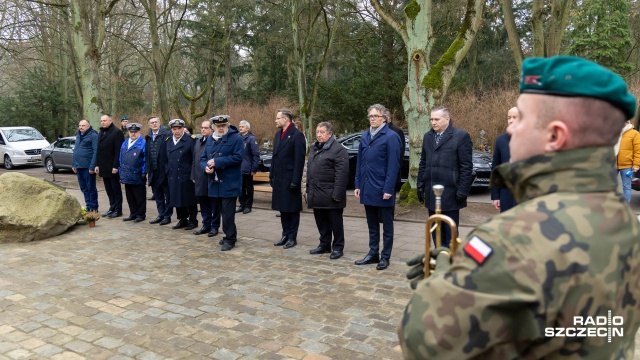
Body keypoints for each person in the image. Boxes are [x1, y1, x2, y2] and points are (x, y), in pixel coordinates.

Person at [399, 56, 640, 359]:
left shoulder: (512, 237)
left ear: (554, 136)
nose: (511, 131)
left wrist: (442, 282)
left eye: (522, 120)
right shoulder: (623, 220)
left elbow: (425, 341)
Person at [416, 105, 473, 248]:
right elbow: (423, 162)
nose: (433, 122)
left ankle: (450, 263)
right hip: (432, 193)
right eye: (431, 119)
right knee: (435, 231)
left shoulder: (461, 136)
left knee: (450, 233)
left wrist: (462, 191)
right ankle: (438, 260)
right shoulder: (428, 137)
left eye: (437, 119)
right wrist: (420, 185)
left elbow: (466, 167)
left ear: (447, 119)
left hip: (451, 193)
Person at [353, 104, 401, 270]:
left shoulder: (391, 136)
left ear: (384, 118)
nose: (372, 118)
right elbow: (360, 161)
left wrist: (389, 188)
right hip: (367, 186)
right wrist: (358, 183)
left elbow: (393, 165)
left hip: (382, 188)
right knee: (371, 224)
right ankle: (373, 253)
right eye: (370, 116)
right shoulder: (365, 136)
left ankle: (385, 257)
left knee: (387, 225)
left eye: (376, 116)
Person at [200, 115, 244, 251]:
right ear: (213, 126)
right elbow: (203, 158)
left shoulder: (236, 138)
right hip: (214, 182)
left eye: (223, 126)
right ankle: (229, 235)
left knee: (228, 213)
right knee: (219, 211)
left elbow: (238, 158)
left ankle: (230, 239)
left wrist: (217, 162)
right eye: (218, 126)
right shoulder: (210, 139)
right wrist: (205, 168)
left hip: (229, 183)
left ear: (227, 125)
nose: (221, 128)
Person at [306, 122, 349, 260]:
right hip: (317, 193)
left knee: (335, 223)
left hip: (331, 195)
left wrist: (337, 194)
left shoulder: (338, 150)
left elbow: (341, 175)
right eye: (317, 132)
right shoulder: (314, 148)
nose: (319, 134)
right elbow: (310, 171)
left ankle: (338, 247)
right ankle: (324, 244)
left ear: (330, 134)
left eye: (322, 132)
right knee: (321, 221)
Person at [271, 108, 307, 249]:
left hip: (290, 179)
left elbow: (299, 161)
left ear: (286, 119)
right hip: (279, 178)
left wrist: (295, 181)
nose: (276, 120)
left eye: (278, 118)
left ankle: (292, 237)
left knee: (291, 209)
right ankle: (285, 234)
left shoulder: (297, 136)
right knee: (282, 209)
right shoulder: (278, 134)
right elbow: (275, 156)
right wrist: (271, 174)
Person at [165, 119, 198, 231]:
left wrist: (193, 174)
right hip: (173, 174)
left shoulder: (190, 140)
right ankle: (182, 219)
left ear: (183, 129)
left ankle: (193, 220)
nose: (177, 131)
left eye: (179, 128)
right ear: (171, 130)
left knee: (189, 199)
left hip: (186, 175)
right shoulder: (168, 141)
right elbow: (165, 158)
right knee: (176, 198)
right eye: (174, 129)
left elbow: (194, 159)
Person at [191, 118, 221, 237]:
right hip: (199, 177)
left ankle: (215, 226)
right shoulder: (198, 141)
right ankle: (206, 224)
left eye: (206, 128)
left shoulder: (216, 141)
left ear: (212, 128)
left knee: (214, 204)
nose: (203, 129)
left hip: (212, 178)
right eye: (202, 127)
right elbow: (195, 160)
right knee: (203, 204)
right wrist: (193, 175)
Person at [96, 114, 125, 218]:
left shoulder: (117, 132)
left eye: (105, 120)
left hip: (112, 167)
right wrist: (97, 164)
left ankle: (118, 209)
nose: (103, 122)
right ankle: (112, 207)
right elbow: (99, 150)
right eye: (101, 121)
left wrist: (116, 166)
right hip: (103, 166)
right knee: (108, 189)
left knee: (115, 189)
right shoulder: (101, 132)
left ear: (110, 121)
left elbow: (118, 151)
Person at [490, 107, 519, 212]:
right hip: (506, 194)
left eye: (515, 117)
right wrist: (495, 196)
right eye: (509, 117)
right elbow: (496, 168)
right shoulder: (501, 140)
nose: (511, 120)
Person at [145, 116, 172, 225]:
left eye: (156, 122)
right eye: (152, 122)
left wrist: (167, 169)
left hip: (164, 170)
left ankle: (167, 215)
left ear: (160, 123)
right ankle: (161, 214)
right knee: (157, 194)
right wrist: (147, 171)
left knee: (167, 194)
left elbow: (169, 153)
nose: (154, 124)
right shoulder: (148, 136)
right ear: (149, 125)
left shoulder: (167, 134)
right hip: (153, 171)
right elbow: (147, 156)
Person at [119, 123, 146, 222]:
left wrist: (144, 171)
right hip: (126, 174)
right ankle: (133, 213)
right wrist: (121, 170)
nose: (133, 134)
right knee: (129, 196)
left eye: (135, 132)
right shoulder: (125, 143)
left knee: (139, 196)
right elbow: (121, 158)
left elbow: (145, 159)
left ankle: (141, 214)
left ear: (139, 132)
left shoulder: (143, 143)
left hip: (137, 174)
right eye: (131, 132)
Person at [72, 119, 99, 212]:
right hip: (79, 166)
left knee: (91, 188)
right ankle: (88, 206)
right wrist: (74, 164)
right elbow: (76, 150)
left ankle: (94, 207)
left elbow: (96, 152)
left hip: (88, 167)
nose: (80, 127)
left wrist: (92, 166)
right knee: (83, 188)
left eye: (83, 126)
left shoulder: (93, 136)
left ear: (88, 126)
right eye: (79, 125)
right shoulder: (78, 135)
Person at [236, 120, 260, 214]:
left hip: (248, 168)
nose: (240, 128)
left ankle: (248, 206)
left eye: (242, 126)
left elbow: (256, 155)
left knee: (248, 188)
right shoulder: (238, 138)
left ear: (247, 128)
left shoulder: (251, 139)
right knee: (240, 188)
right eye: (240, 126)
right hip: (238, 169)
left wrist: (254, 168)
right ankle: (242, 205)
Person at [616, 119, 640, 203]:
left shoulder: (634, 134)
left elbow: (638, 151)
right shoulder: (614, 132)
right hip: (613, 164)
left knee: (626, 187)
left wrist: (636, 164)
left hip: (627, 165)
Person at [384, 110, 406, 192]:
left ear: (387, 117)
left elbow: (401, 150)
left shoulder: (396, 131)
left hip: (392, 166)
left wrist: (397, 166)